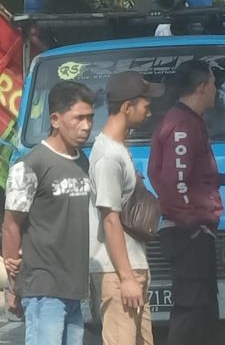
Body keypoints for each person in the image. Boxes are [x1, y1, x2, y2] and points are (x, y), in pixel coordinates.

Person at [148, 60, 225, 345]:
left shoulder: (189, 122)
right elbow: (173, 183)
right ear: (203, 87)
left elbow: (190, 178)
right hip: (188, 235)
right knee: (190, 315)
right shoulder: (181, 125)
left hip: (193, 233)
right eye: (214, 84)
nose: (217, 91)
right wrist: (194, 226)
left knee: (204, 313)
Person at [2, 81, 95, 345]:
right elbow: (11, 225)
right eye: (78, 118)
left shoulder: (82, 161)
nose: (86, 126)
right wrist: (13, 285)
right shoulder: (30, 166)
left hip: (74, 286)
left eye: (90, 118)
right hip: (43, 286)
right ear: (55, 119)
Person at [89, 71, 164, 345]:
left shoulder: (118, 148)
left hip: (131, 267)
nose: (149, 112)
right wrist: (126, 278)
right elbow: (110, 219)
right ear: (126, 107)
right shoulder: (108, 156)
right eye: (145, 105)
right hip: (119, 272)